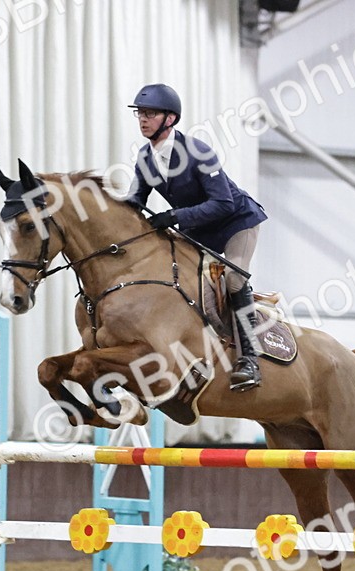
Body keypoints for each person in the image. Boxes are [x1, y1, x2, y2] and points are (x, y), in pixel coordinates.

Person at [124, 83, 268, 391]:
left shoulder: (198, 152)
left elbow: (223, 203)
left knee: (232, 280)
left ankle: (250, 360)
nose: (142, 120)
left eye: (149, 114)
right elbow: (135, 199)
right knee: (176, 279)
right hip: (198, 228)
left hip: (236, 223)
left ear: (170, 119)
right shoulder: (145, 158)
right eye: (140, 114)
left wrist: (175, 217)